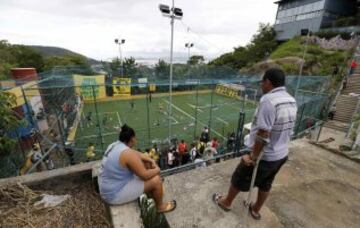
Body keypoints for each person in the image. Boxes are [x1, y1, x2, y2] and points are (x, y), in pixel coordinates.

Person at [212, 68, 297, 220]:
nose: (261, 86)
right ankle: (256, 209)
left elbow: (263, 133)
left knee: (239, 177)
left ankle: (226, 202)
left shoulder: (268, 100)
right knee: (266, 183)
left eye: (262, 82)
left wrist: (253, 156)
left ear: (268, 82)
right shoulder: (291, 99)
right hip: (282, 153)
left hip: (266, 155)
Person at [99, 124, 176, 213]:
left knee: (146, 162)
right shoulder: (127, 153)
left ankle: (151, 190)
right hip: (113, 194)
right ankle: (160, 207)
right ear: (132, 139)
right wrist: (157, 169)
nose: (136, 139)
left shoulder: (115, 145)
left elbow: (137, 154)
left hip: (109, 186)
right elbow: (145, 176)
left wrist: (149, 159)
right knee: (156, 180)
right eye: (135, 137)